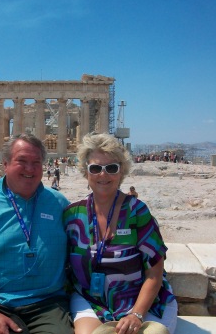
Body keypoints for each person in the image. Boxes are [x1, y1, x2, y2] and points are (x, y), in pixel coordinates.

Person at [0, 133, 73, 334]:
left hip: (47, 303)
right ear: (5, 164)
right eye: (22, 161)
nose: (30, 168)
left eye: (36, 162)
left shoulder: (59, 204)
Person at [64, 133, 177, 334]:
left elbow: (155, 273)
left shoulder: (137, 212)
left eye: (111, 168)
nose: (103, 175)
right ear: (86, 171)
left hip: (141, 300)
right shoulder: (73, 215)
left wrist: (136, 314)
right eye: (96, 168)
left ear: (121, 171)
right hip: (92, 300)